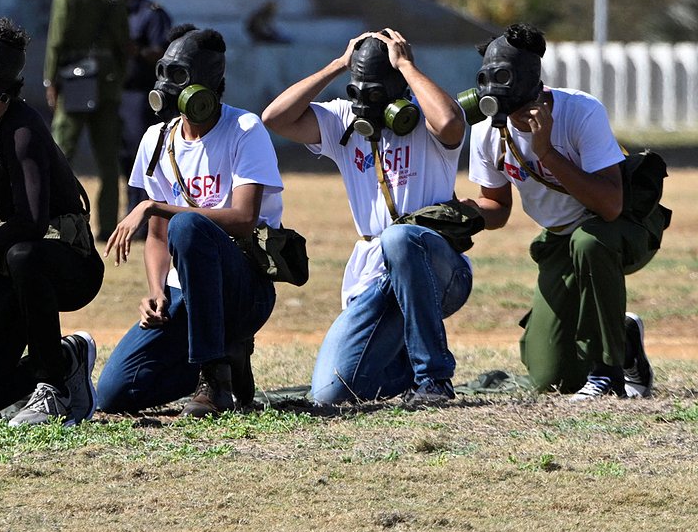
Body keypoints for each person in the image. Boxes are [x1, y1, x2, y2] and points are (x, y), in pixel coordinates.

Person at [262, 29, 472, 405]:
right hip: (374, 277)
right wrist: (338, 65)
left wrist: (407, 65)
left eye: (375, 92)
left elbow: (452, 124)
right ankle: (403, 366)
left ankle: (434, 379)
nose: (364, 103)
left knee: (400, 238)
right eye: (356, 91)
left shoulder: (425, 118)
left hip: (440, 269)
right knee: (329, 395)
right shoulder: (344, 122)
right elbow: (275, 118)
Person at [464, 23, 658, 401]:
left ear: (531, 83)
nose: (493, 89)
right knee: (551, 376)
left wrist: (547, 151)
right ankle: (625, 336)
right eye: (486, 78)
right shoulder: (487, 132)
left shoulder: (580, 111)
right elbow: (498, 207)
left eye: (503, 78)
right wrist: (465, 213)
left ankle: (608, 373)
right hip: (559, 241)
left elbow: (610, 204)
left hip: (621, 227)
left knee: (589, 242)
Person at [97, 25, 282, 417]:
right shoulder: (156, 139)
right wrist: (156, 290)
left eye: (178, 75)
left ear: (211, 85)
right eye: (162, 71)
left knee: (189, 225)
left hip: (243, 288)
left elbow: (244, 219)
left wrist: (153, 207)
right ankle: (221, 361)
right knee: (115, 393)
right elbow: (158, 238)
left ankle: (215, 383)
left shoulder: (245, 130)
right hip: (186, 294)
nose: (165, 84)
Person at [0, 18, 103, 426]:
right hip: (17, 267)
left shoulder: (23, 130)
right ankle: (67, 357)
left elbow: (30, 222)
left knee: (23, 254)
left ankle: (55, 389)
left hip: (68, 267)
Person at [43, 0, 130, 240]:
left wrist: (50, 79)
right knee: (108, 159)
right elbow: (123, 42)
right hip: (106, 82)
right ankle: (107, 227)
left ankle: (55, 220)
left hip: (74, 80)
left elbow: (57, 38)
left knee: (59, 154)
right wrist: (116, 77)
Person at [107, 0, 172, 230]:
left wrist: (135, 50)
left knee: (143, 156)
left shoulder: (152, 13)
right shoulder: (117, 13)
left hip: (142, 96)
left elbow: (162, 52)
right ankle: (130, 211)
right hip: (118, 93)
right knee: (124, 157)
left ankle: (146, 221)